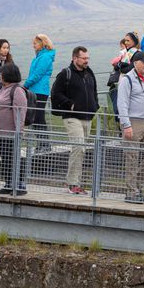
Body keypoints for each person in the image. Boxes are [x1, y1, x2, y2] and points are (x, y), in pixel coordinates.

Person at [50, 46, 99, 195]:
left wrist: (95, 106)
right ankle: (72, 183)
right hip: (72, 117)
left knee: (82, 150)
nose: (86, 61)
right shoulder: (66, 74)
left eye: (87, 58)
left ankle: (75, 182)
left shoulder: (89, 73)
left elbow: (94, 91)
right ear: (75, 58)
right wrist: (69, 104)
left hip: (87, 117)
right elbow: (55, 93)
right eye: (84, 58)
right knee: (78, 147)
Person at [117, 51, 144, 204]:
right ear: (135, 62)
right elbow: (121, 104)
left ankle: (137, 184)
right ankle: (131, 192)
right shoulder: (127, 80)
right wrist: (126, 124)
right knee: (132, 157)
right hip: (133, 121)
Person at [0, 63, 27, 195]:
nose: (0, 75)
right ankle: (9, 183)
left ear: (8, 75)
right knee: (5, 159)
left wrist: (19, 131)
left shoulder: (17, 90)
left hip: (10, 133)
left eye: (2, 73)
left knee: (13, 158)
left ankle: (20, 185)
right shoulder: (3, 89)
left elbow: (20, 113)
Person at [23, 34, 56, 152]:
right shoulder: (40, 57)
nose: (33, 45)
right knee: (36, 117)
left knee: (39, 117)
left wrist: (25, 85)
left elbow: (37, 75)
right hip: (35, 90)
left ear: (42, 43)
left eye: (35, 43)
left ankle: (45, 144)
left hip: (40, 91)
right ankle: (42, 144)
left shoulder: (45, 57)